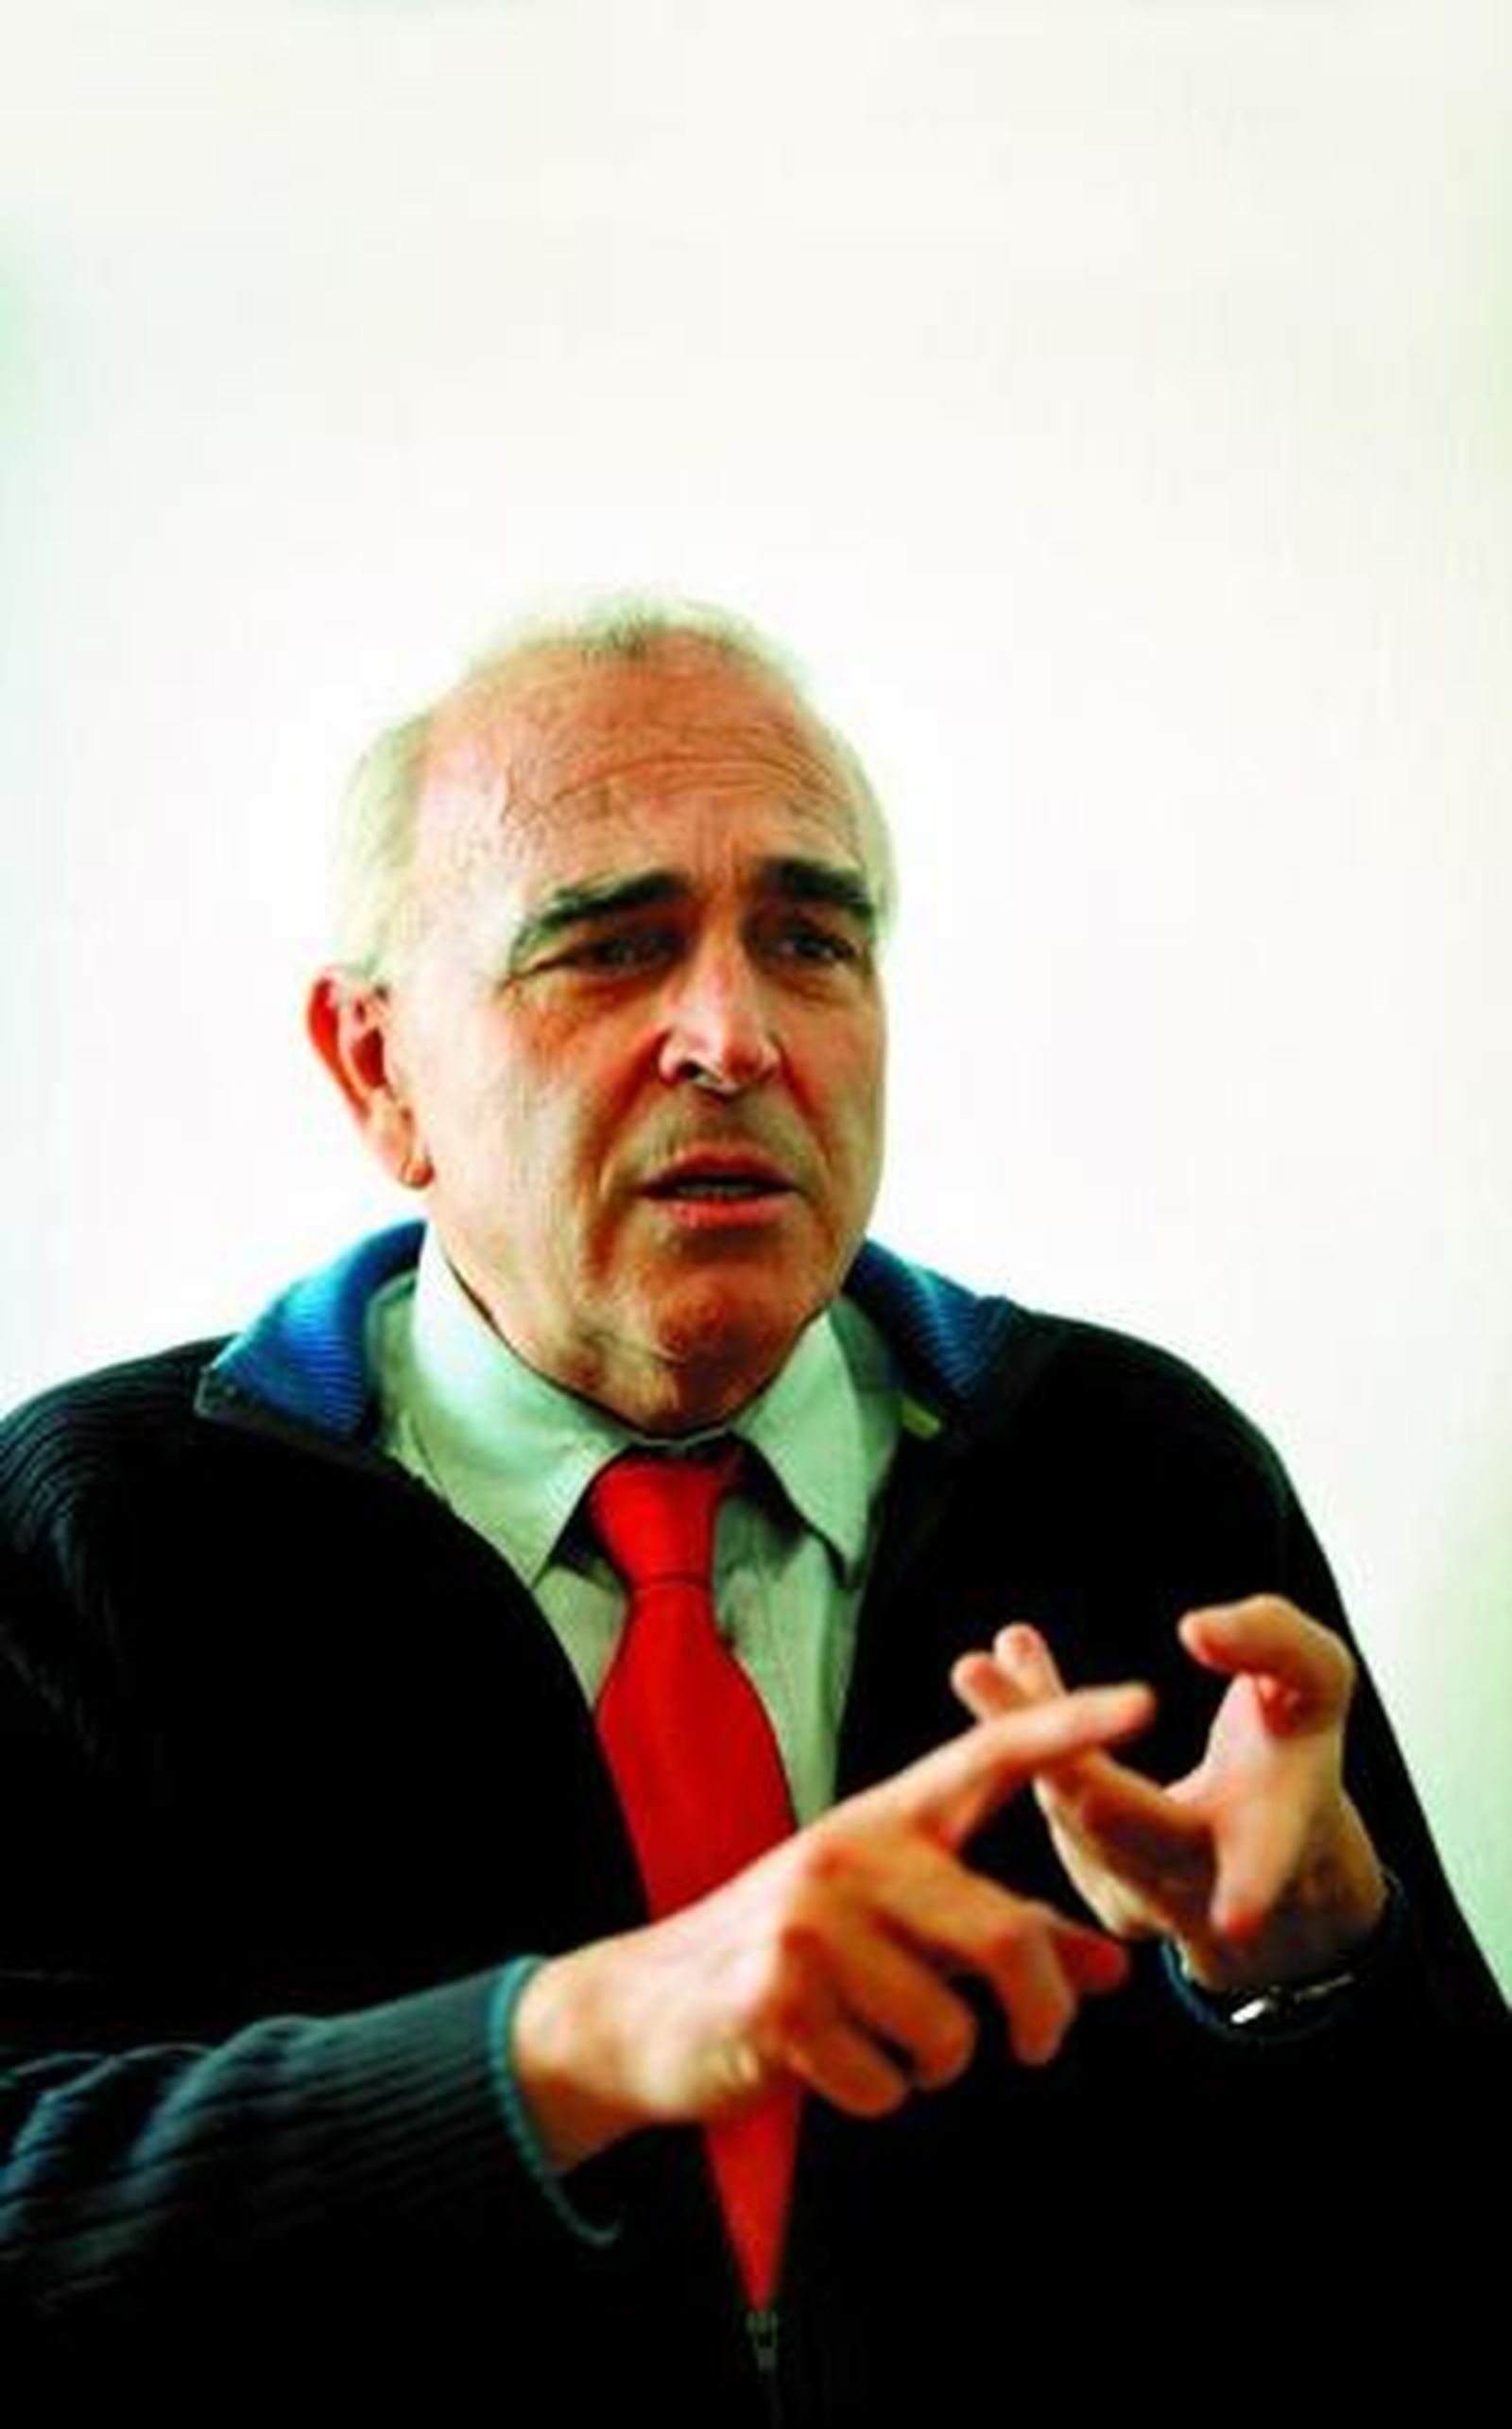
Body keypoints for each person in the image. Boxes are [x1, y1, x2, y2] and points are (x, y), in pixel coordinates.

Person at [0, 601, 1503, 2417]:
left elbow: (1453, 2255)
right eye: (610, 947)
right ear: (379, 1068)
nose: (732, 1034)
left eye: (808, 939)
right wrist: (575, 2040)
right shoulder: (98, 1523)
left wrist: (1321, 1970)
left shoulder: (1137, 1468)